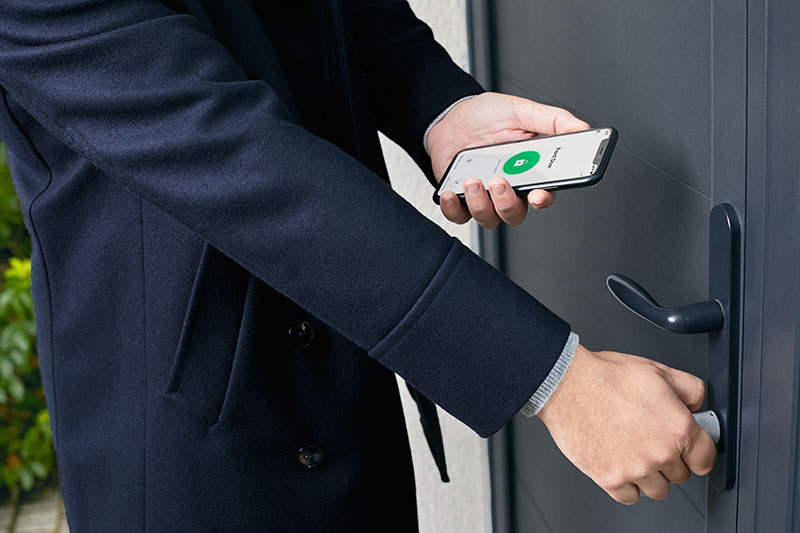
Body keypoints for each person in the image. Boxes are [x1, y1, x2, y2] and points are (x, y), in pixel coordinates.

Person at [0, 1, 715, 531]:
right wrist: (555, 379)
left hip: (345, 353)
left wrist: (438, 107)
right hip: (192, 439)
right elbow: (236, 153)